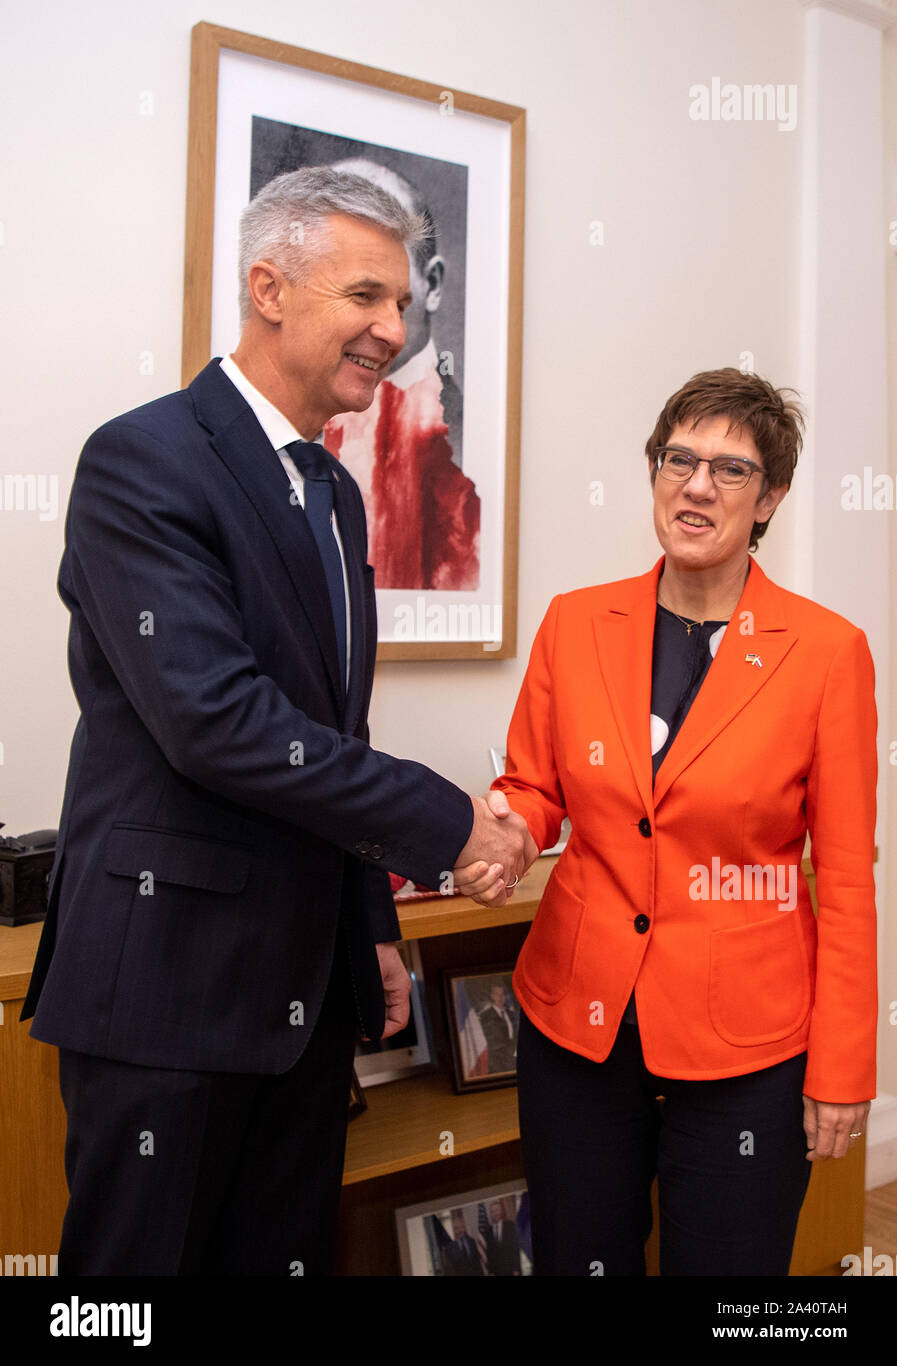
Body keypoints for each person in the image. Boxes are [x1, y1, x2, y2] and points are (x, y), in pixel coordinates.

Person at [21, 166, 529, 1276]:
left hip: (298, 999)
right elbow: (219, 721)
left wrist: (371, 927)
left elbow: (325, 730)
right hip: (166, 992)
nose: (394, 329)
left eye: (402, 303)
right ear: (269, 287)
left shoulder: (333, 491)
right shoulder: (143, 459)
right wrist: (451, 823)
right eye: (365, 297)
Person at [455, 368, 877, 1276]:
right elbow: (534, 785)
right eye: (677, 458)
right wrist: (508, 830)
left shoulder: (827, 654)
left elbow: (843, 879)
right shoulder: (574, 624)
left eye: (730, 470)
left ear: (769, 498)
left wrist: (844, 1067)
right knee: (580, 1258)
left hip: (748, 1046)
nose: (695, 485)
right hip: (579, 1025)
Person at [322, 158, 479, 590]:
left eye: (378, 287)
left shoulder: (461, 434)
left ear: (433, 285)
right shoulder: (301, 424)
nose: (375, 323)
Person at [478, 981, 518, 1074]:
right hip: (498, 1064)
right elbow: (493, 1043)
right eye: (497, 994)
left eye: (502, 994)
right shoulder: (486, 1016)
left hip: (513, 1059)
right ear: (492, 996)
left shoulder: (510, 1013)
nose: (500, 997)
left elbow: (515, 1035)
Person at [483, 1199, 522, 1276]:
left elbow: (515, 1249)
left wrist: (516, 1269)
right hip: (497, 1272)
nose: (495, 1213)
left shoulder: (510, 1225)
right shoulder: (488, 1232)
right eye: (492, 1211)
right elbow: (489, 1254)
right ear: (490, 1214)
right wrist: (491, 1272)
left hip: (511, 1269)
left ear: (501, 1211)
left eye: (497, 1210)